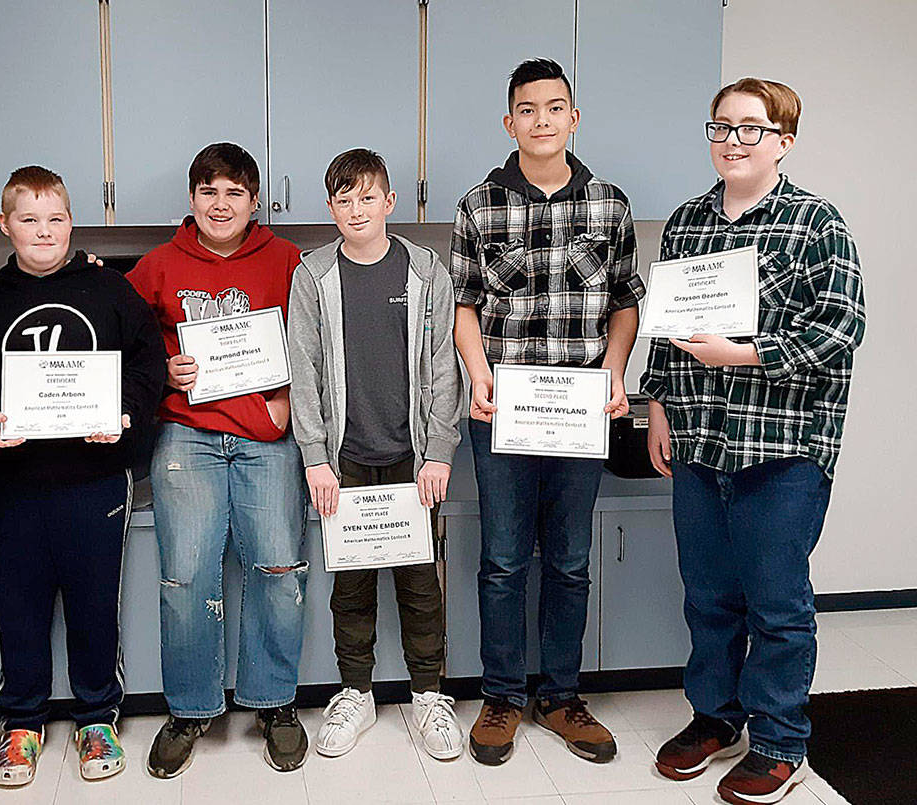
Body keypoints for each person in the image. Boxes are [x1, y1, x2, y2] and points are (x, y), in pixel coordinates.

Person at [641, 78, 865, 805]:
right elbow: (667, 333)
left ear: (783, 140)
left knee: (776, 602)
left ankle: (779, 740)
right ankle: (714, 717)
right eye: (720, 127)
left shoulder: (816, 223)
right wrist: (660, 409)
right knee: (707, 596)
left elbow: (840, 329)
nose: (732, 141)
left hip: (784, 449)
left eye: (749, 128)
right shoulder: (686, 224)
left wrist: (743, 353)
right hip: (700, 442)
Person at [448, 58, 644, 766]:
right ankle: (501, 694)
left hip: (580, 410)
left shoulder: (610, 205)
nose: (541, 120)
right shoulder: (478, 205)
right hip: (501, 409)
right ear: (510, 122)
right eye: (527, 109)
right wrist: (478, 375)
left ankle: (560, 694)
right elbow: (464, 305)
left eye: (554, 107)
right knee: (502, 559)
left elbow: (626, 301)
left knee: (568, 559)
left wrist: (615, 371)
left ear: (573, 117)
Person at [0, 165, 166, 787]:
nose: (43, 231)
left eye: (55, 218)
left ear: (71, 222)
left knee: (93, 602)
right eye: (28, 220)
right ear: (6, 226)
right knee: (18, 605)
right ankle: (21, 721)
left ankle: (96, 714)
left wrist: (125, 416)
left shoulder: (112, 293)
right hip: (11, 485)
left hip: (94, 480)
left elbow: (148, 363)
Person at [126, 142, 309, 777]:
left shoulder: (289, 262)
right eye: (210, 192)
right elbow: (120, 338)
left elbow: (315, 341)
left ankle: (273, 702)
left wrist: (287, 396)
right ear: (192, 200)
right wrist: (162, 369)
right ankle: (190, 707)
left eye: (234, 192)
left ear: (256, 201)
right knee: (185, 580)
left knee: (278, 571)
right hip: (188, 436)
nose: (222, 204)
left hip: (266, 440)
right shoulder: (158, 266)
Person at [287, 148, 464, 759]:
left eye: (368, 197)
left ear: (390, 202)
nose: (356, 209)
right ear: (329, 206)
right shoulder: (310, 275)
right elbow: (302, 370)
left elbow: (446, 365)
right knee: (352, 585)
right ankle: (354, 693)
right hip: (345, 459)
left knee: (421, 584)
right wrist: (314, 456)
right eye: (343, 198)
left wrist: (439, 450)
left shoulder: (425, 271)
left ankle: (428, 696)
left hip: (414, 458)